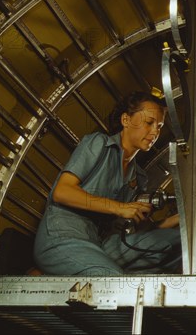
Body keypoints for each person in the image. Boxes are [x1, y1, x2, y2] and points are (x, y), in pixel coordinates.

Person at [33, 91, 181, 276]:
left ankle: (106, 272)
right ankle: (71, 268)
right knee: (110, 281)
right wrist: (119, 207)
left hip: (100, 244)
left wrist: (182, 217)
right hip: (63, 236)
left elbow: (144, 231)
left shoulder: (139, 176)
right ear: (126, 120)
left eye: (159, 127)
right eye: (149, 123)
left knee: (176, 241)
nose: (155, 133)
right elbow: (61, 192)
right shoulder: (99, 144)